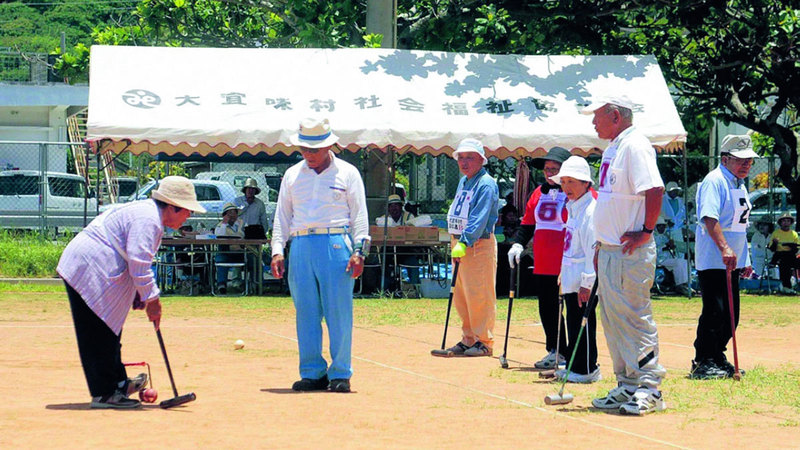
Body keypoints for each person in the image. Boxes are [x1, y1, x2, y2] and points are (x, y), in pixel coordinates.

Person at [57, 176, 205, 409]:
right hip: (88, 267)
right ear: (173, 207)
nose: (189, 217)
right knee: (97, 330)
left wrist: (140, 292)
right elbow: (139, 262)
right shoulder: (149, 220)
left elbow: (135, 257)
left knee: (109, 328)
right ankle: (104, 394)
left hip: (94, 267)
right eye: (187, 211)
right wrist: (152, 299)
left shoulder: (150, 216)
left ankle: (117, 382)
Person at [581, 95, 667, 415]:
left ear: (615, 116)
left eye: (597, 116)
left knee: (634, 318)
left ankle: (649, 388)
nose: (593, 123)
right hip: (610, 250)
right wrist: (600, 245)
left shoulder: (635, 145)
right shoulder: (614, 147)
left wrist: (646, 229)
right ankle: (627, 384)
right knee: (613, 320)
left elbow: (654, 190)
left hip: (631, 251)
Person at [270, 118, 369, 393]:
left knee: (338, 312)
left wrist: (360, 250)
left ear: (329, 146)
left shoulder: (348, 173)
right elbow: (282, 216)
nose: (309, 155)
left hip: (336, 242)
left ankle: (340, 372)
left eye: (314, 149)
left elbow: (360, 216)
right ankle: (312, 371)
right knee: (306, 312)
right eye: (304, 149)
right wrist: (278, 249)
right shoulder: (292, 175)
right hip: (300, 244)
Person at [692, 134, 758, 380]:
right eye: (741, 160)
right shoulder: (715, 181)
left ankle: (717, 356)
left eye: (749, 161)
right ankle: (703, 360)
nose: (747, 165)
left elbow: (740, 226)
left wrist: (745, 258)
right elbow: (710, 218)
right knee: (715, 310)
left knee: (732, 315)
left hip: (733, 260)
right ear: (725, 159)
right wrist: (724, 248)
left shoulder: (738, 183)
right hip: (714, 259)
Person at [432, 137, 499, 357]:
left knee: (479, 293)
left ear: (481, 159)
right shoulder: (464, 181)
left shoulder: (486, 183)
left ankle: (484, 341)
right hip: (459, 242)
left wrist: (464, 241)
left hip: (477, 244)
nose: (464, 162)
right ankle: (468, 337)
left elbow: (479, 218)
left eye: (470, 157)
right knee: (462, 294)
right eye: (461, 157)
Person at [507, 147, 573, 369]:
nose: (549, 173)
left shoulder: (574, 191)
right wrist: (518, 243)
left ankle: (575, 353)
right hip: (543, 260)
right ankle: (555, 350)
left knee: (571, 307)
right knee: (547, 306)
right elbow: (527, 223)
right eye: (547, 169)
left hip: (567, 258)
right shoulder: (538, 193)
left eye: (554, 169)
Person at [549, 156, 601, 383]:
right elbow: (570, 246)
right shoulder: (573, 208)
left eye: (572, 181)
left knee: (583, 323)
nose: (566, 187)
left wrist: (587, 282)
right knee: (572, 321)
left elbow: (592, 251)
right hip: (571, 277)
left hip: (583, 280)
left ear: (585, 183)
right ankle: (575, 365)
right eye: (564, 182)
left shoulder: (591, 210)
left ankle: (587, 368)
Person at [654, 217, 692, 295]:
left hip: (668, 258)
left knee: (685, 262)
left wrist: (672, 246)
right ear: (656, 227)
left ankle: (685, 284)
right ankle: (680, 285)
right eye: (659, 226)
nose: (661, 228)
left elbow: (670, 248)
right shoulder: (653, 237)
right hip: (659, 259)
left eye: (663, 226)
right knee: (679, 262)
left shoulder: (666, 236)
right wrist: (665, 245)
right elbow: (655, 250)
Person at [214, 202, 245, 294]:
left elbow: (245, 234)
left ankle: (242, 284)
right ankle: (221, 285)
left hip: (240, 251)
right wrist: (224, 223)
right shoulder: (220, 226)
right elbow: (220, 236)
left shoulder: (241, 223)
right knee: (221, 259)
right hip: (226, 251)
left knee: (252, 259)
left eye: (233, 212)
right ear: (225, 215)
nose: (232, 215)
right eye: (229, 213)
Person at [768, 212, 800, 293]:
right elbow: (772, 248)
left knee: (790, 261)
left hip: (791, 255)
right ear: (780, 223)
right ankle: (786, 286)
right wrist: (775, 243)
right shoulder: (776, 233)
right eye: (784, 221)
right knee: (785, 264)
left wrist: (792, 246)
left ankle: (794, 285)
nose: (786, 223)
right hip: (779, 255)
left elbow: (797, 248)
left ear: (791, 223)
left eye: (788, 221)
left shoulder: (794, 234)